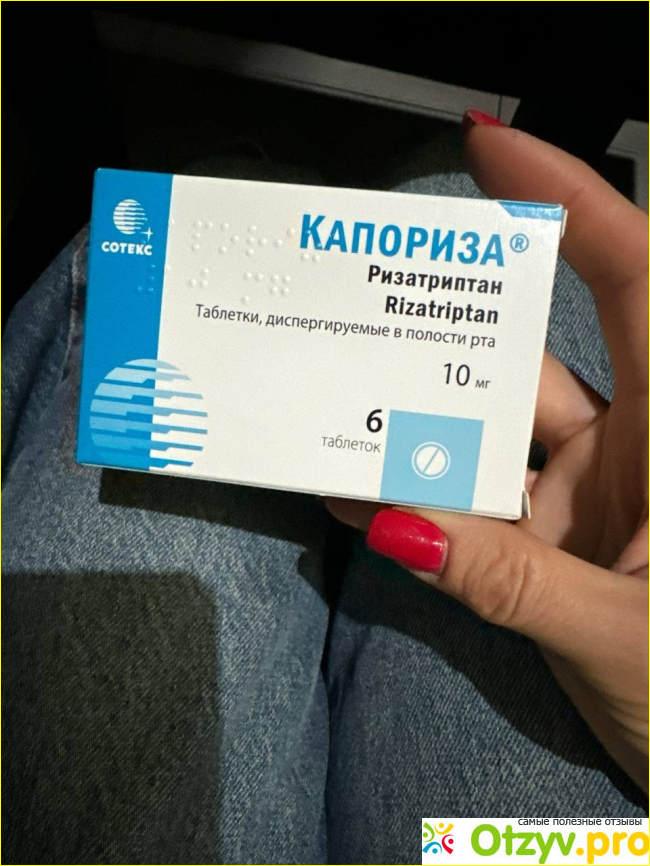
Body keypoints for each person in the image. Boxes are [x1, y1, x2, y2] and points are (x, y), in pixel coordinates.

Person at [3, 110, 647, 865]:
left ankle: (243, 165)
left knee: (279, 193)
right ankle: (250, 175)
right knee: (452, 192)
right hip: (585, 847)